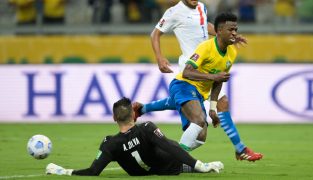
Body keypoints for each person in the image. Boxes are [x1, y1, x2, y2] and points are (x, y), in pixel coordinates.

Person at [133, 9, 263, 161]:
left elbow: (218, 81)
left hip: (199, 93)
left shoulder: (231, 53)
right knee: (199, 120)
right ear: (219, 31)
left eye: (236, 29)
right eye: (231, 29)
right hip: (184, 84)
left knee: (200, 137)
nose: (235, 33)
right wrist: (214, 76)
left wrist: (213, 109)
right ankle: (175, 161)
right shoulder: (205, 47)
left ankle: (157, 153)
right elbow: (187, 72)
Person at [45, 97, 224, 176]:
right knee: (170, 144)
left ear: (114, 118)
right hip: (167, 168)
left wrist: (62, 170)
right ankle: (192, 167)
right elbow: (170, 147)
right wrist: (199, 165)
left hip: (141, 172)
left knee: (164, 148)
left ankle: (189, 166)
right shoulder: (146, 128)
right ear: (133, 114)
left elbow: (93, 171)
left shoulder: (109, 144)